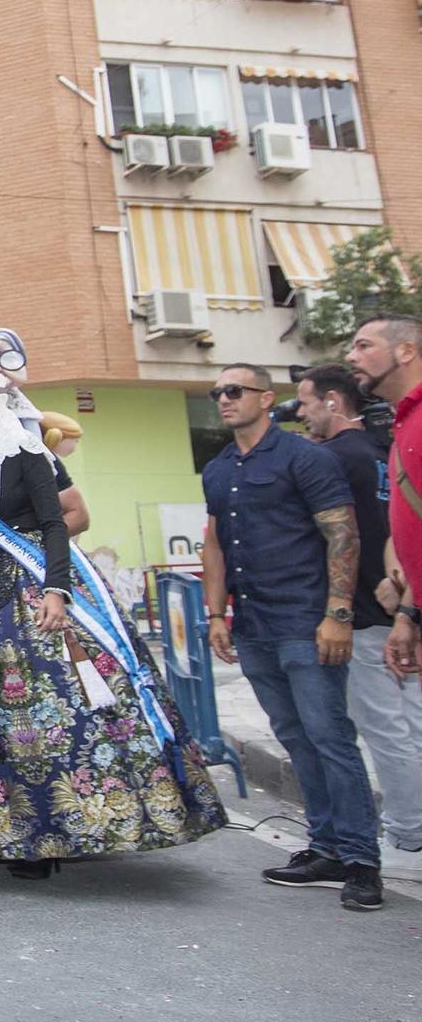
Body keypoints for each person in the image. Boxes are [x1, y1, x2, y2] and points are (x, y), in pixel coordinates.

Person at [0, 356, 223, 881]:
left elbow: (56, 523)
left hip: (24, 586)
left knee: (33, 716)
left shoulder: (25, 447)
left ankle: (43, 835)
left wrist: (55, 588)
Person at [202, 362, 377, 909]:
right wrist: (214, 616)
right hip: (253, 625)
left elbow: (341, 534)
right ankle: (325, 847)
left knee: (331, 737)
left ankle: (361, 860)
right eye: (217, 393)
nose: (224, 400)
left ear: (265, 397)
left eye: (235, 390)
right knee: (297, 739)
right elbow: (215, 545)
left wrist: (339, 613)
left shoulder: (307, 457)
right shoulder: (219, 467)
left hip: (307, 621)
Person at [299, 363, 422, 866]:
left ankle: (409, 829)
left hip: (366, 613)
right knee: (412, 721)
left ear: (333, 401)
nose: (301, 414)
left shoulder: (327, 459)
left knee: (383, 729)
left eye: (306, 402)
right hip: (401, 603)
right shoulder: (380, 449)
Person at [348, 314, 422, 683]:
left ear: (406, 351)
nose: (351, 356)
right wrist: (409, 615)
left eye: (364, 346)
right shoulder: (404, 423)